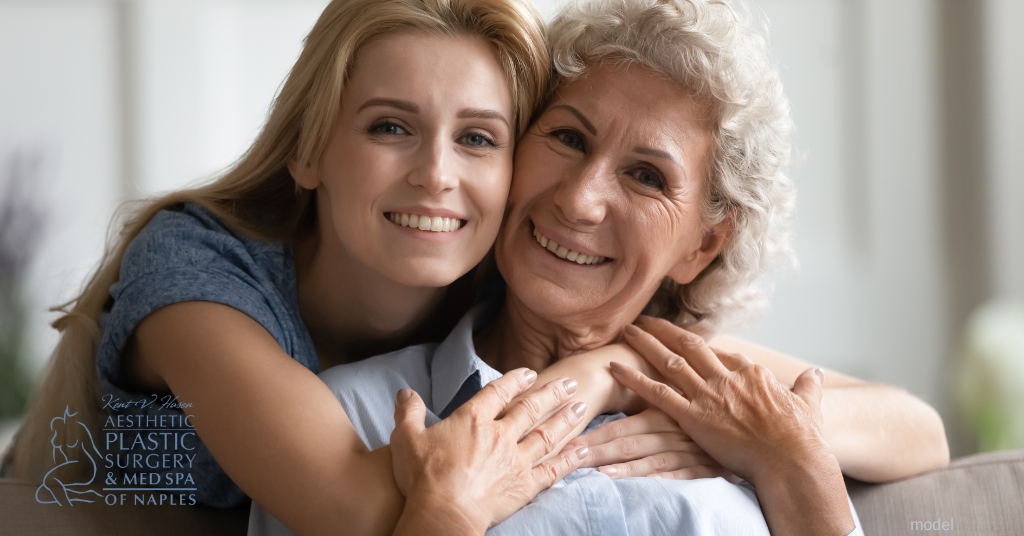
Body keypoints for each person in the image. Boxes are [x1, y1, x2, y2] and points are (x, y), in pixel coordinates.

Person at [250, 0, 946, 534]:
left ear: (701, 246)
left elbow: (921, 431)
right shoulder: (354, 420)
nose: (580, 201)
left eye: (646, 176)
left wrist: (795, 461)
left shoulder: (733, 405)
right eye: (568, 138)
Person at [7, 1, 601, 534]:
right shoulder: (194, 275)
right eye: (390, 127)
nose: (437, 175)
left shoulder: (505, 284)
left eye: (477, 138)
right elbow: (370, 516)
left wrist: (621, 364)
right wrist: (609, 376)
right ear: (307, 151)